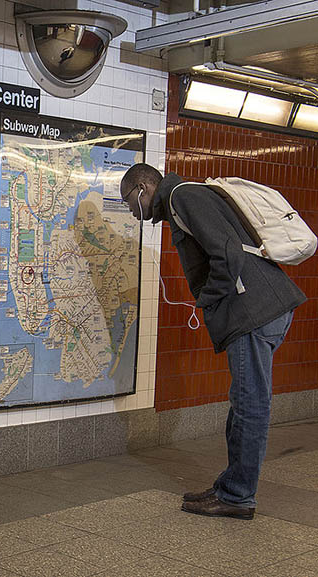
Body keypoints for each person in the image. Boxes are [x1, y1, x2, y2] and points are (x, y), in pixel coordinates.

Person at [119, 164, 306, 520]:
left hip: (253, 312)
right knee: (243, 404)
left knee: (251, 406)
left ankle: (238, 497)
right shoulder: (181, 200)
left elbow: (229, 254)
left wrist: (208, 297)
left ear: (144, 188)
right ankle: (229, 486)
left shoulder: (183, 196)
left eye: (129, 201)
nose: (130, 209)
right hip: (261, 309)